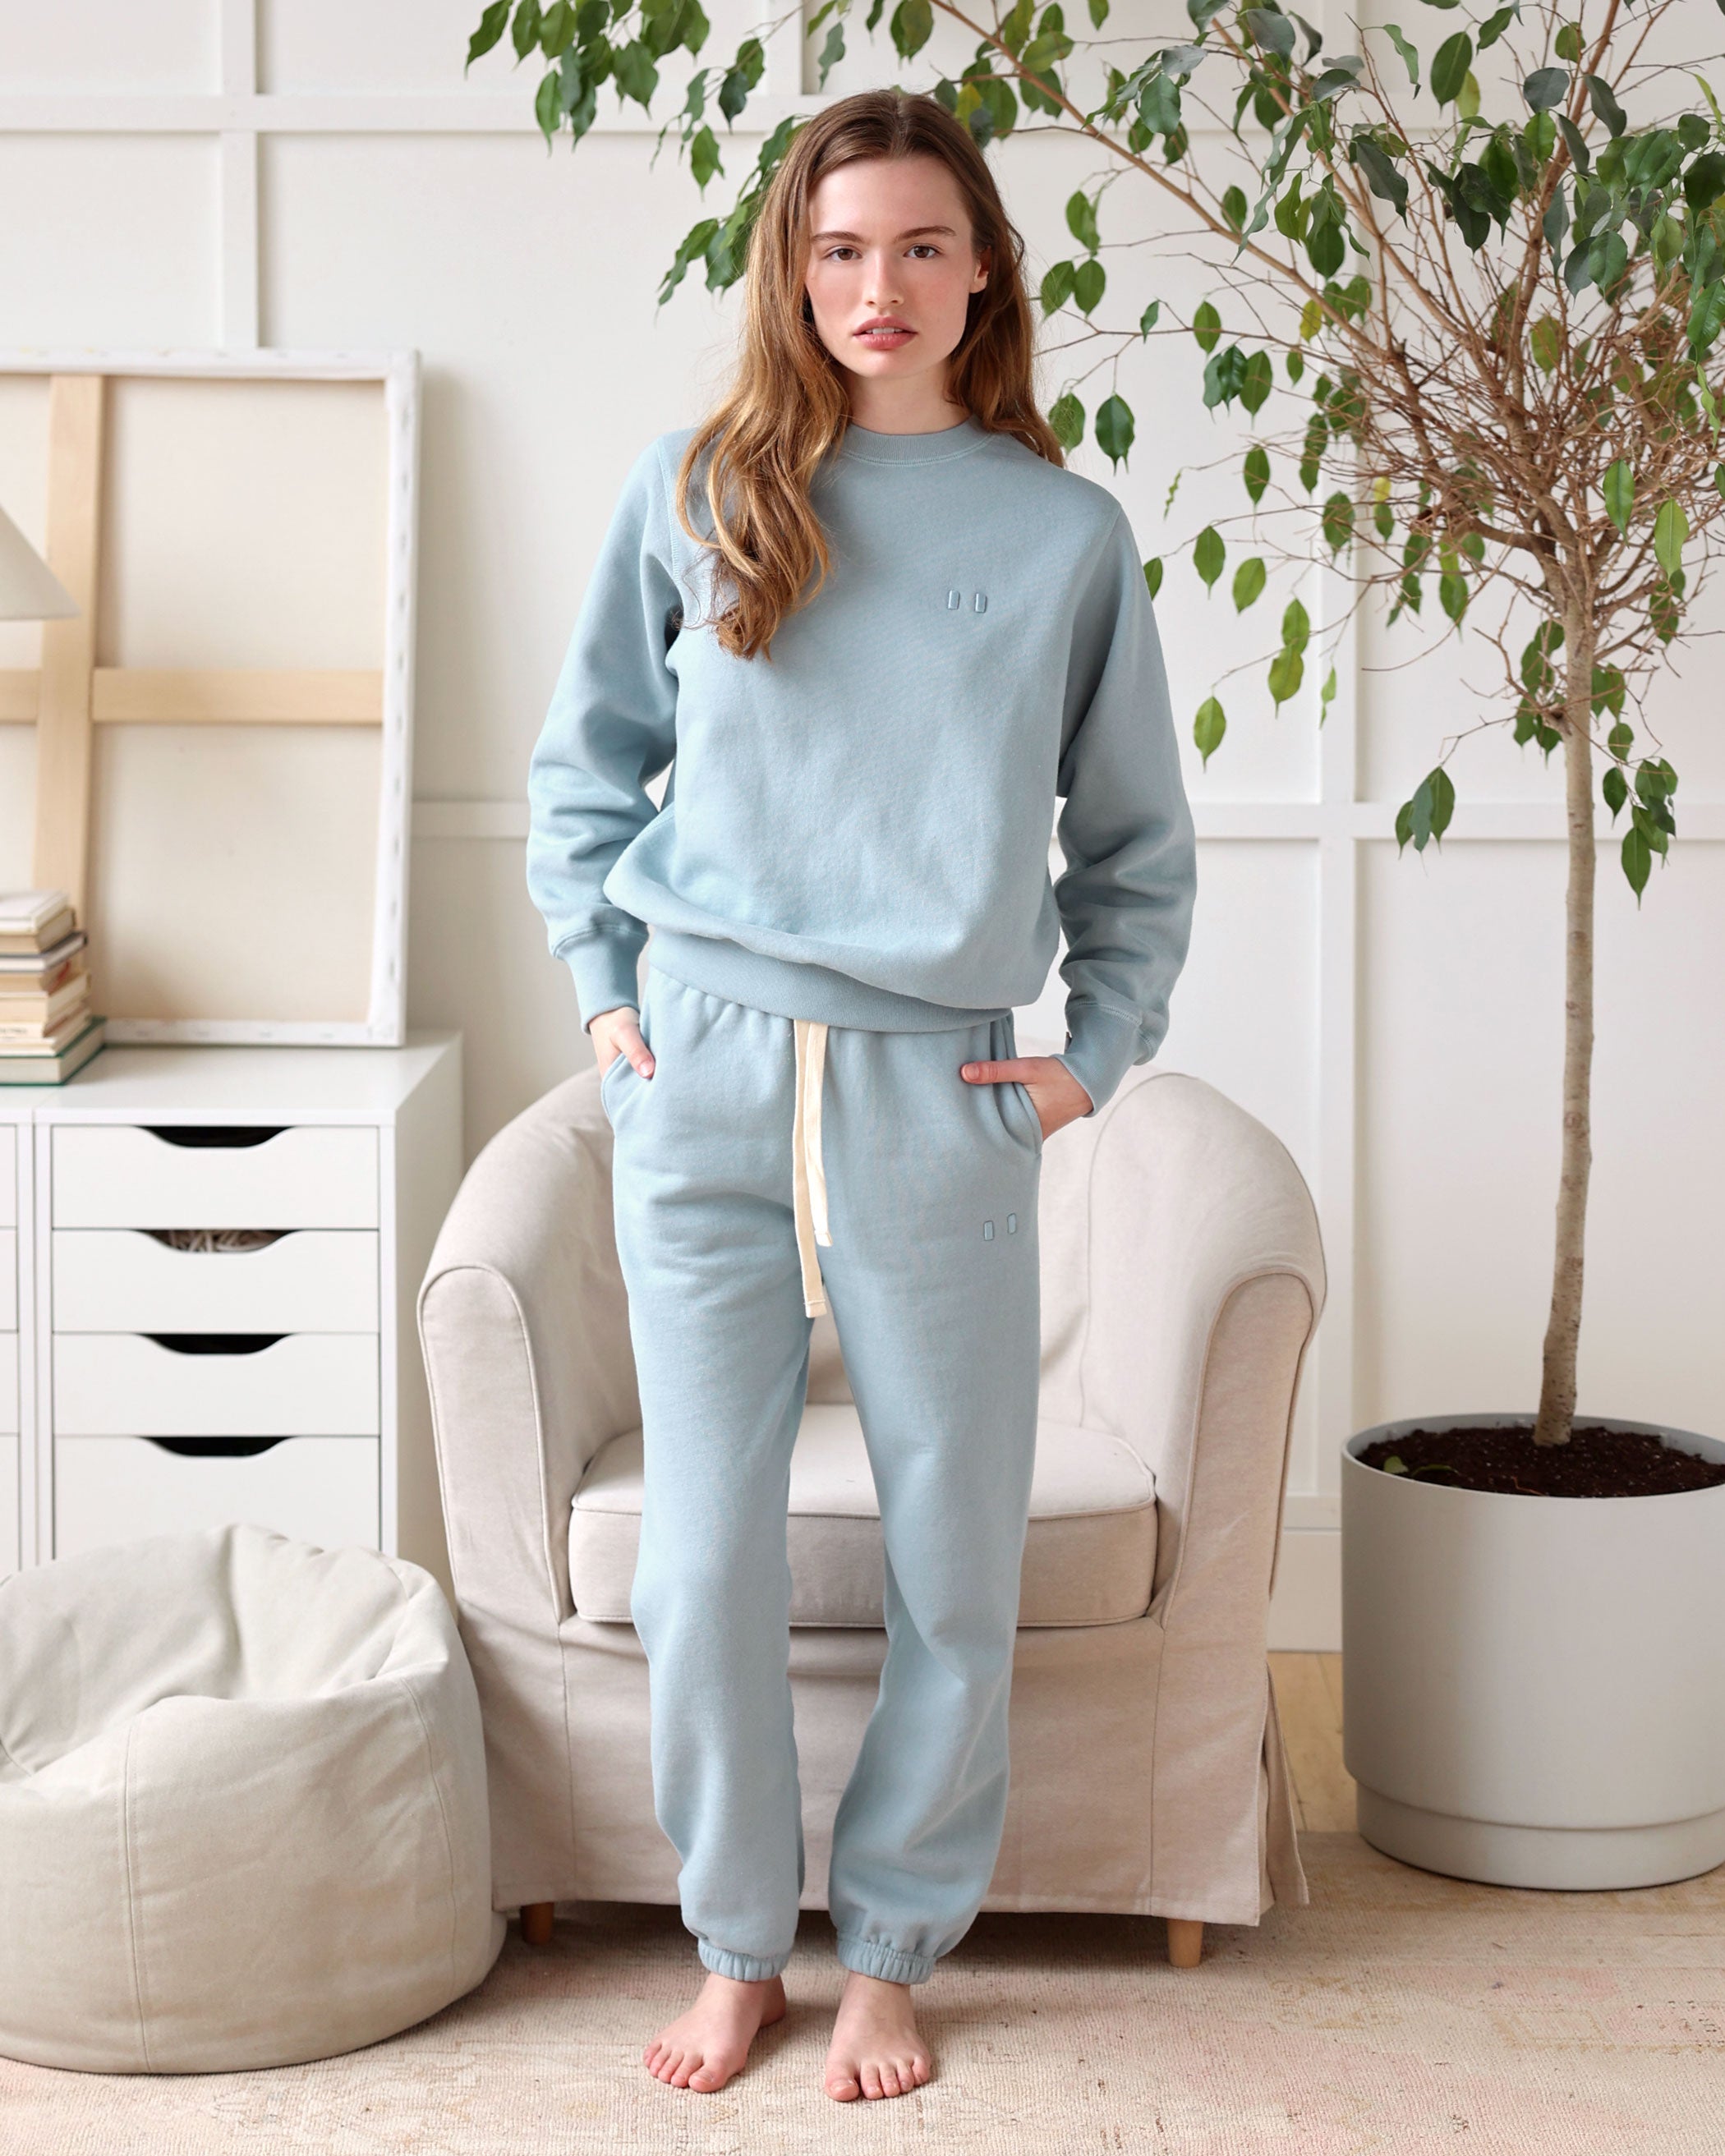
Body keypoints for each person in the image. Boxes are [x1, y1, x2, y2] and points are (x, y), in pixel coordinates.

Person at [526, 86, 1197, 2103]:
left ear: (984, 267)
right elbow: (583, 772)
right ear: (791, 272)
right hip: (706, 1070)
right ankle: (737, 1941)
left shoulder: (1064, 535)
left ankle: (893, 1947)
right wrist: (608, 1002)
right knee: (700, 1556)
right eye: (836, 250)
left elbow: (1135, 847)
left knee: (951, 1554)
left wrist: (1090, 1057)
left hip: (938, 1085)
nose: (875, 286)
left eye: (917, 245)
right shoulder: (698, 489)